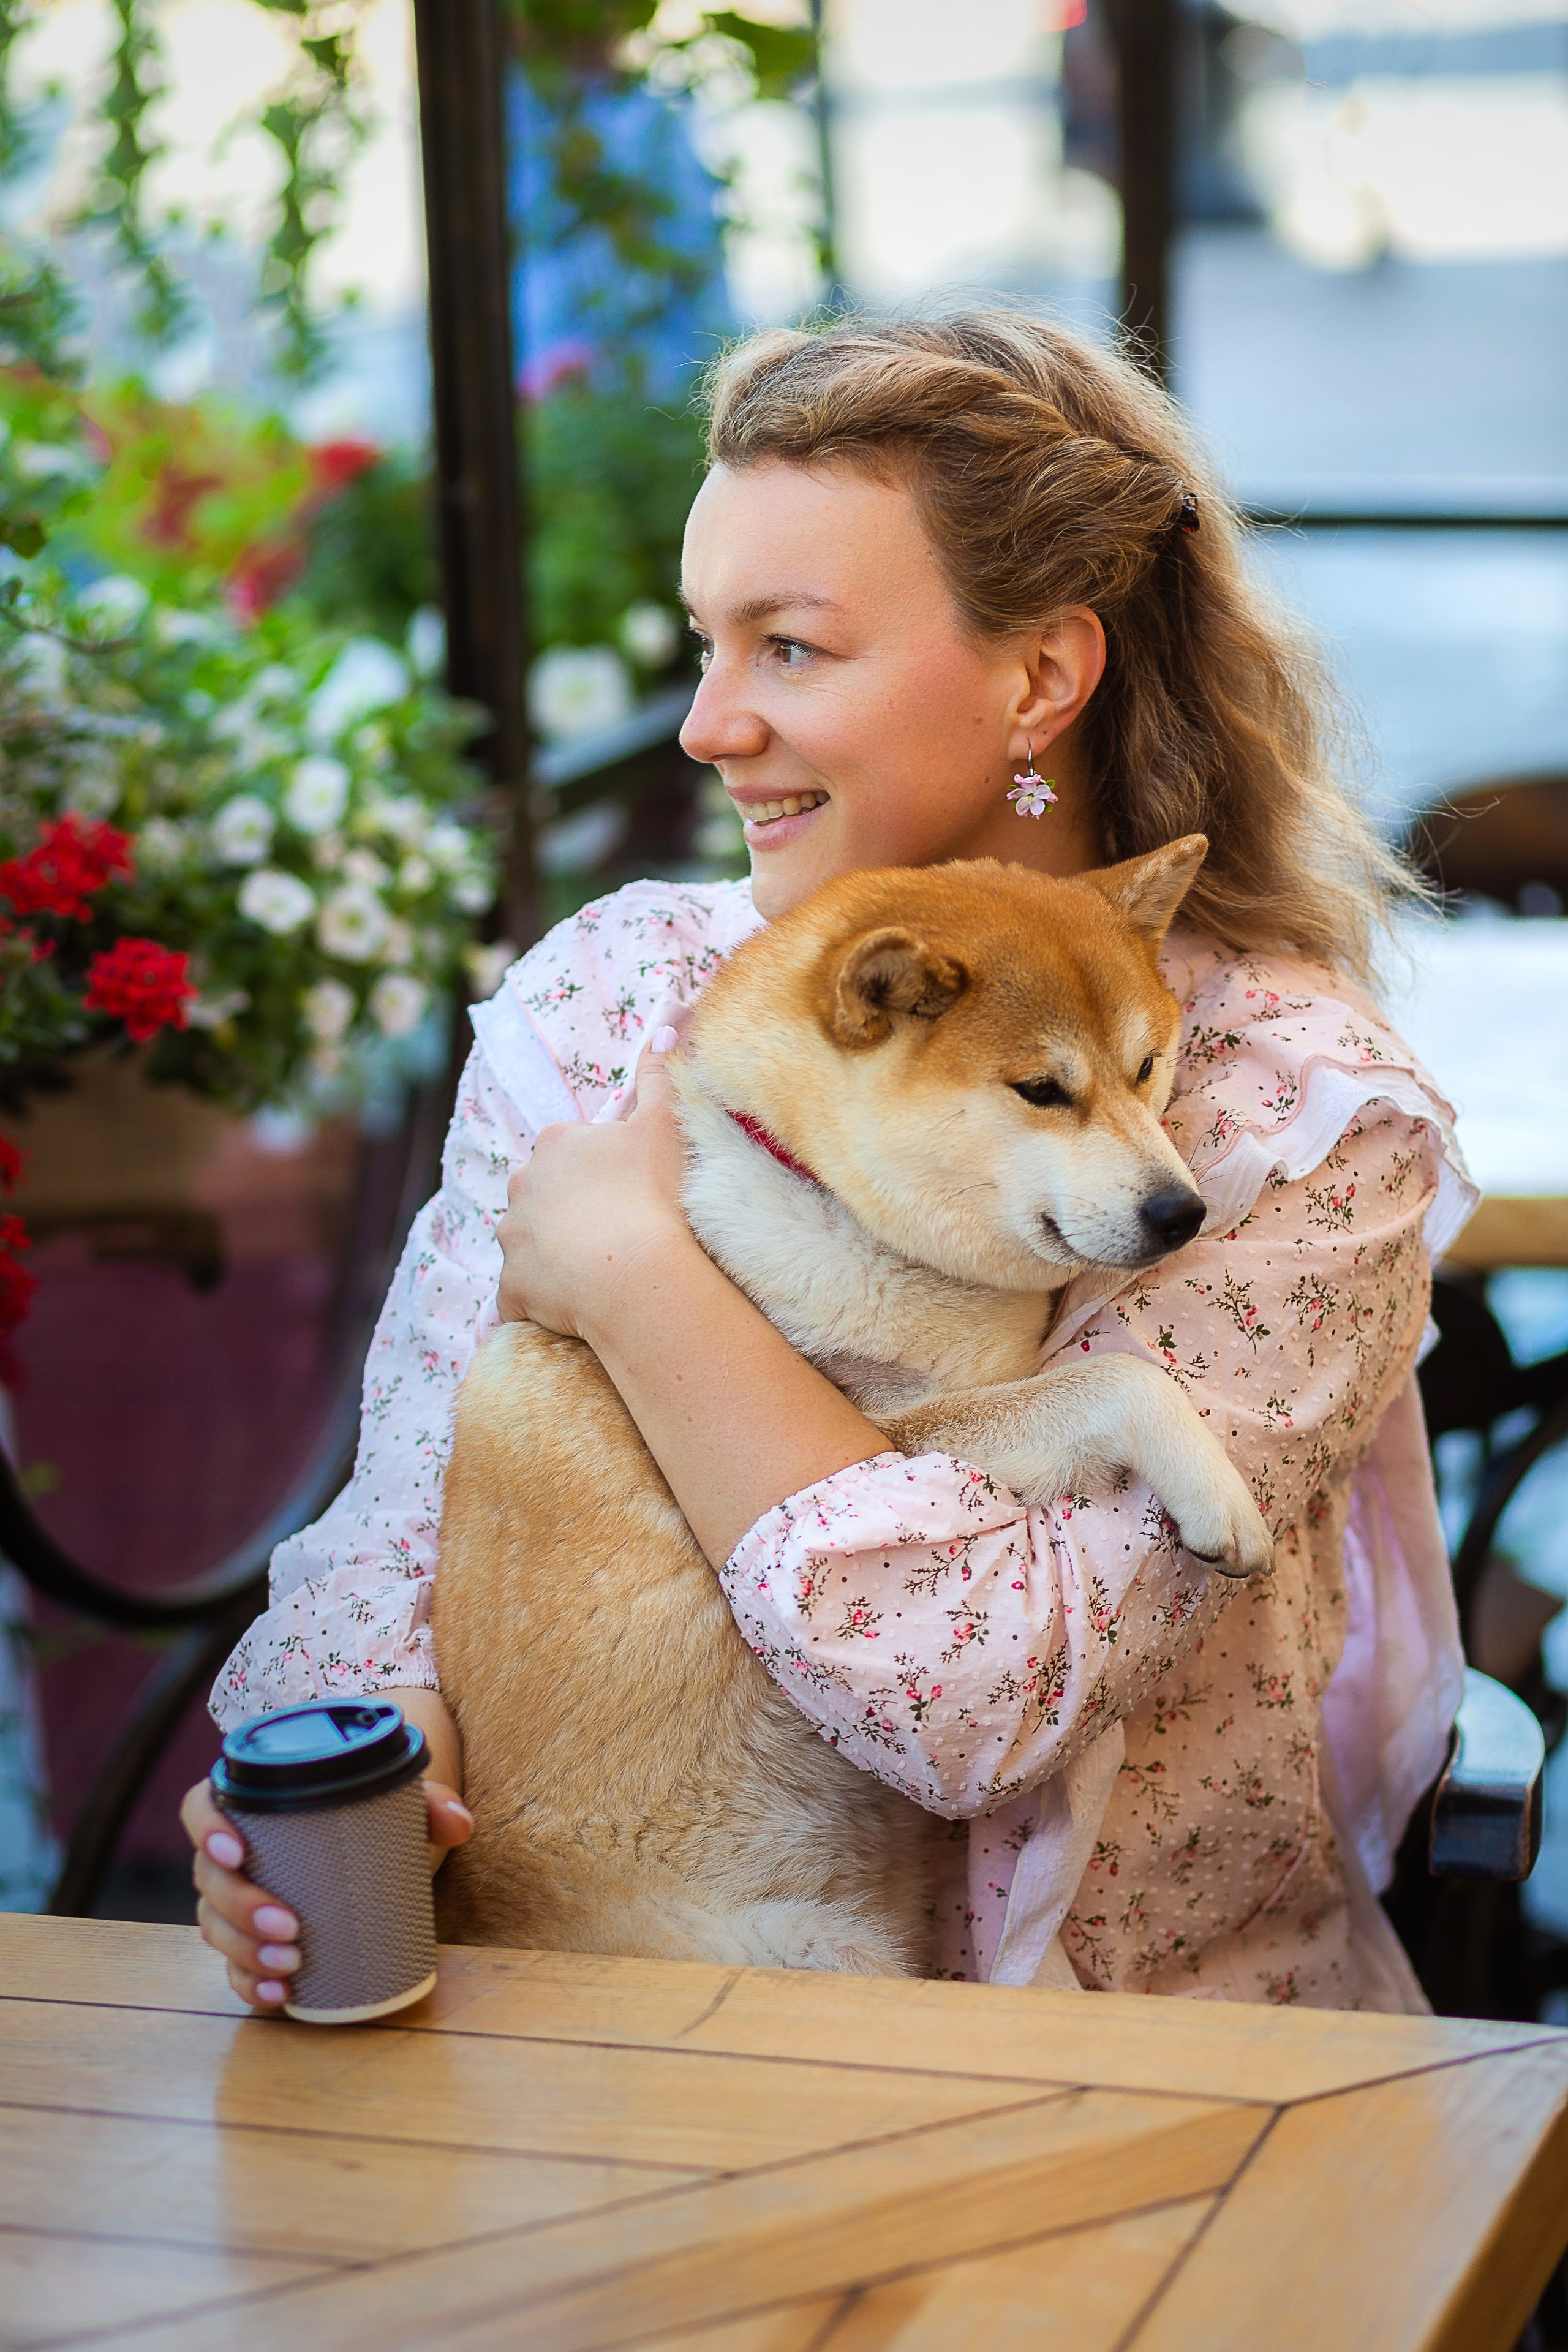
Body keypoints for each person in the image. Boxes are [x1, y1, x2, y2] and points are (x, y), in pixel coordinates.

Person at [184, 309, 1473, 2013]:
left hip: (1152, 2092)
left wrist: (642, 1280)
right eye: (705, 644)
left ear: (1040, 677)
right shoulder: (606, 1000)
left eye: (788, 649)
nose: (708, 727)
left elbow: (973, 1699)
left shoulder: (1297, 1117)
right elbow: (408, 1528)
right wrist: (367, 1776)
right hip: (615, 2045)